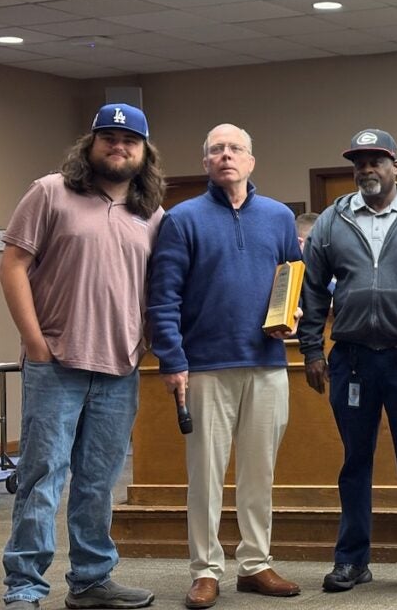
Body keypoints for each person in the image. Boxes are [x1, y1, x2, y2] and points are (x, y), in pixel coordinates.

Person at [0, 103, 164, 610]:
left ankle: (92, 580)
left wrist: (145, 345)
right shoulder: (50, 191)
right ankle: (24, 586)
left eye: (130, 140)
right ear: (90, 144)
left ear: (144, 153)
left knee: (98, 482)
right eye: (109, 137)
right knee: (42, 478)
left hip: (119, 369)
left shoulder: (152, 215)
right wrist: (35, 344)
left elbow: (156, 291)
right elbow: (13, 265)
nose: (119, 146)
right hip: (57, 364)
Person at [148, 124, 302, 610]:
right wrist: (172, 359)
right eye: (217, 149)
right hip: (205, 367)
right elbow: (163, 297)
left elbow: (292, 278)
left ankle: (255, 563)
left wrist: (293, 314)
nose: (226, 156)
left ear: (251, 161)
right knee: (205, 475)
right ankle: (205, 570)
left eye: (235, 149)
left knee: (260, 472)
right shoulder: (182, 219)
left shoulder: (279, 217)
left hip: (267, 364)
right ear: (206, 162)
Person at [298, 128, 397, 593]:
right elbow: (312, 287)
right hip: (353, 362)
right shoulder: (333, 219)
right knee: (354, 463)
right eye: (359, 163)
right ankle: (352, 560)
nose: (366, 169)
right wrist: (311, 349)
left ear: (395, 166)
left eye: (376, 161)